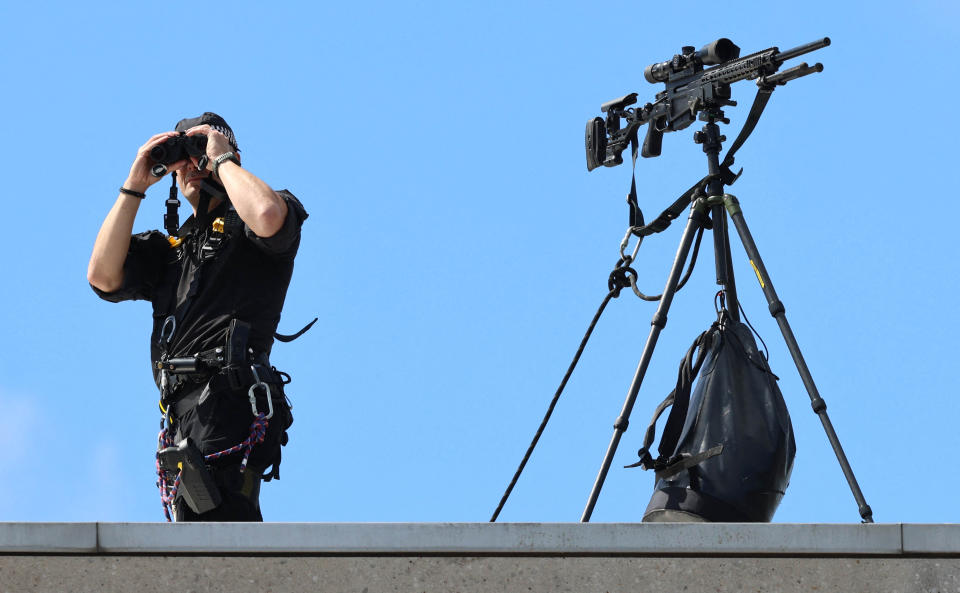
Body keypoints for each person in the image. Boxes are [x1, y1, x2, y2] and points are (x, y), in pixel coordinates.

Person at [87, 113, 308, 521]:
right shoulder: (168, 249)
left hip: (231, 398)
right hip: (183, 416)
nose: (190, 165)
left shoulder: (259, 214)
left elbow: (269, 218)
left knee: (219, 525)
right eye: (182, 158)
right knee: (197, 527)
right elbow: (101, 275)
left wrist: (222, 162)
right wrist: (135, 184)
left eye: (197, 153)